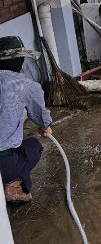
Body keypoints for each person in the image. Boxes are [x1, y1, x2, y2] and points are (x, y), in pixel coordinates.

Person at [0, 36, 53, 202]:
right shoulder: (25, 85)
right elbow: (41, 117)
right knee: (33, 147)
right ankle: (14, 185)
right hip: (3, 164)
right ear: (18, 60)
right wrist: (45, 126)